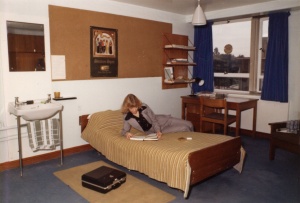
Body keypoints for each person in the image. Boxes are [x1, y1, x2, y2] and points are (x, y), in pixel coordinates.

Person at [121, 94, 193, 139]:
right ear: (127, 107)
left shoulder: (144, 107)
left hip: (164, 121)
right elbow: (124, 131)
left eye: (135, 107)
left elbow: (154, 120)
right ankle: (193, 143)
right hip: (156, 131)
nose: (134, 109)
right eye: (131, 108)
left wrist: (158, 130)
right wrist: (127, 133)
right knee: (185, 128)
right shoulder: (127, 117)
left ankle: (195, 139)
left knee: (189, 124)